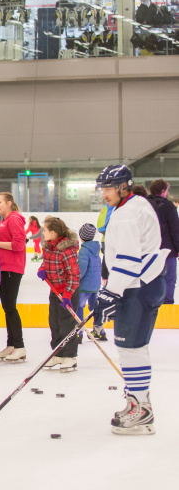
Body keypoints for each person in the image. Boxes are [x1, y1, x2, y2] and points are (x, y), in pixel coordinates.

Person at [93, 165, 169, 435]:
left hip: (138, 286)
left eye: (108, 188)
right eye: (102, 188)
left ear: (123, 186)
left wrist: (110, 292)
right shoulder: (130, 206)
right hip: (142, 284)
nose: (104, 194)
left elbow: (127, 259)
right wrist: (113, 290)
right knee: (132, 348)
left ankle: (142, 411)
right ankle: (137, 402)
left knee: (131, 348)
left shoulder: (128, 213)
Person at [37, 217, 81, 372]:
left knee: (67, 325)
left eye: (45, 230)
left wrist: (68, 295)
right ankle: (58, 353)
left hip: (68, 292)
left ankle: (70, 356)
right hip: (54, 291)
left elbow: (74, 275)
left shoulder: (66, 250)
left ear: (53, 232)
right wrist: (42, 269)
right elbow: (46, 262)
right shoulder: (48, 246)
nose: (43, 233)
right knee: (54, 323)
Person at [0, 192, 28, 363]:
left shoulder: (14, 219)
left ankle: (19, 345)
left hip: (11, 268)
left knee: (10, 306)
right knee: (7, 307)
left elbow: (19, 244)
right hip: (2, 268)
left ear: (9, 203)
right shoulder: (3, 221)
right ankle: (11, 344)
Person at [147, 179, 179, 304]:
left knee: (150, 278)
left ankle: (152, 304)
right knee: (169, 279)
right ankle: (167, 303)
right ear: (162, 191)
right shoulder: (169, 205)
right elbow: (175, 229)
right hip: (168, 250)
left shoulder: (145, 204)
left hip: (149, 249)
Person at [76, 223, 104, 341]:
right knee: (95, 307)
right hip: (95, 285)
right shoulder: (96, 249)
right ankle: (99, 329)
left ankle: (79, 332)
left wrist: (76, 280)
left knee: (79, 307)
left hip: (84, 286)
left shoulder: (84, 250)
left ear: (81, 236)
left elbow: (81, 268)